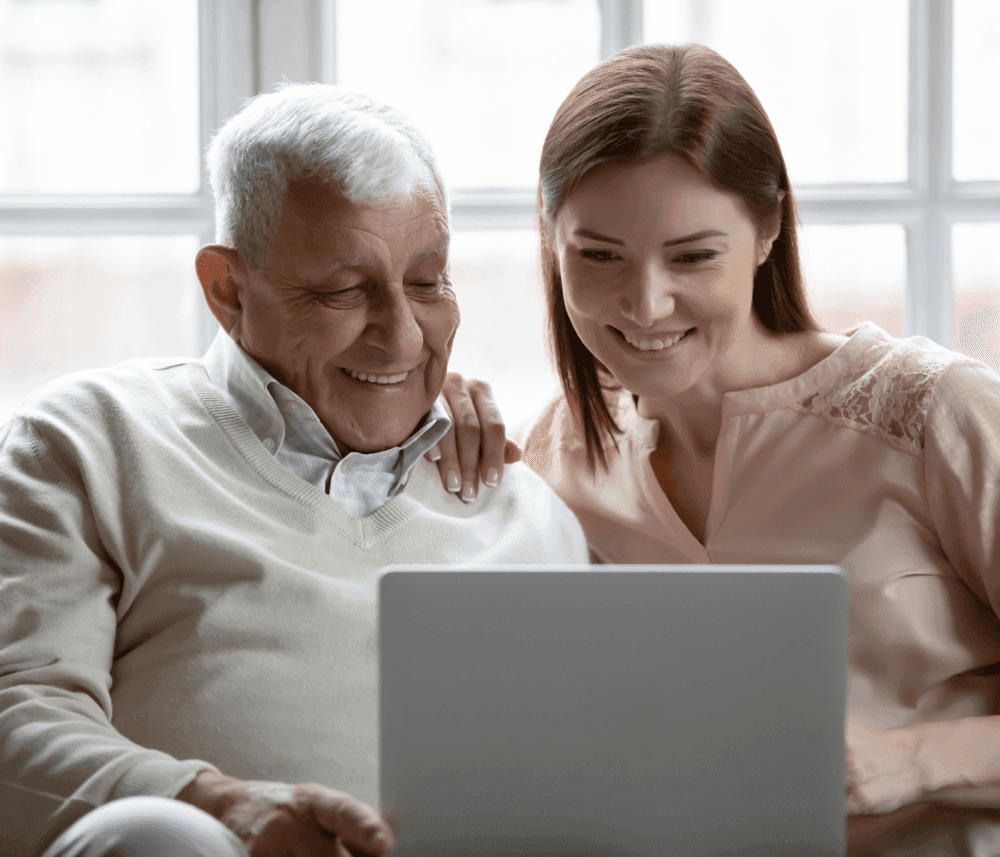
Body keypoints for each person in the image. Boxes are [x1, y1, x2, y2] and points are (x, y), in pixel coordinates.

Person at [437, 43, 1000, 857]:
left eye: (694, 255)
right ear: (549, 238)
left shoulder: (934, 413)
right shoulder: (551, 454)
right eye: (598, 256)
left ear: (768, 228)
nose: (646, 303)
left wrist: (916, 759)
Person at [0, 83, 588, 857]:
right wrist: (218, 805)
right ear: (228, 291)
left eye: (427, 282)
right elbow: (17, 714)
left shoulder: (528, 514)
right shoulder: (90, 441)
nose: (405, 339)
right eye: (346, 290)